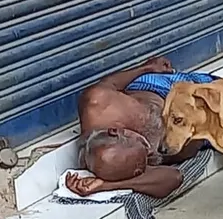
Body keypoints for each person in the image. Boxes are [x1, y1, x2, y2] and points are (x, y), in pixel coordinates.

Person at [65, 56, 215, 198]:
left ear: (115, 131)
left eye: (141, 143)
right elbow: (173, 178)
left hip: (160, 89)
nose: (150, 150)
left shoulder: (97, 106)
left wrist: (146, 68)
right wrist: (106, 185)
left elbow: (111, 83)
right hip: (204, 132)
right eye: (147, 156)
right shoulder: (121, 165)